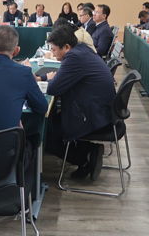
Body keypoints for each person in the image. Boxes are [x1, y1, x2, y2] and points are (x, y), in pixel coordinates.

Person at [40, 24, 116, 181]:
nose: (53, 54)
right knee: (52, 123)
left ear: (66, 47)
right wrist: (49, 78)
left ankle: (84, 160)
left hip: (93, 116)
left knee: (44, 132)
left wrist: (47, 80)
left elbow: (53, 88)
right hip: (101, 111)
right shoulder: (81, 49)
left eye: (54, 50)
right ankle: (89, 150)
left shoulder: (74, 58)